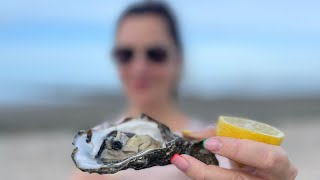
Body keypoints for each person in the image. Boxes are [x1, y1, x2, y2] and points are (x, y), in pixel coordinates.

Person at [72, 1, 297, 180]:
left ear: (178, 61)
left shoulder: (215, 148)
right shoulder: (97, 152)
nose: (139, 68)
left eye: (155, 54)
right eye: (125, 54)